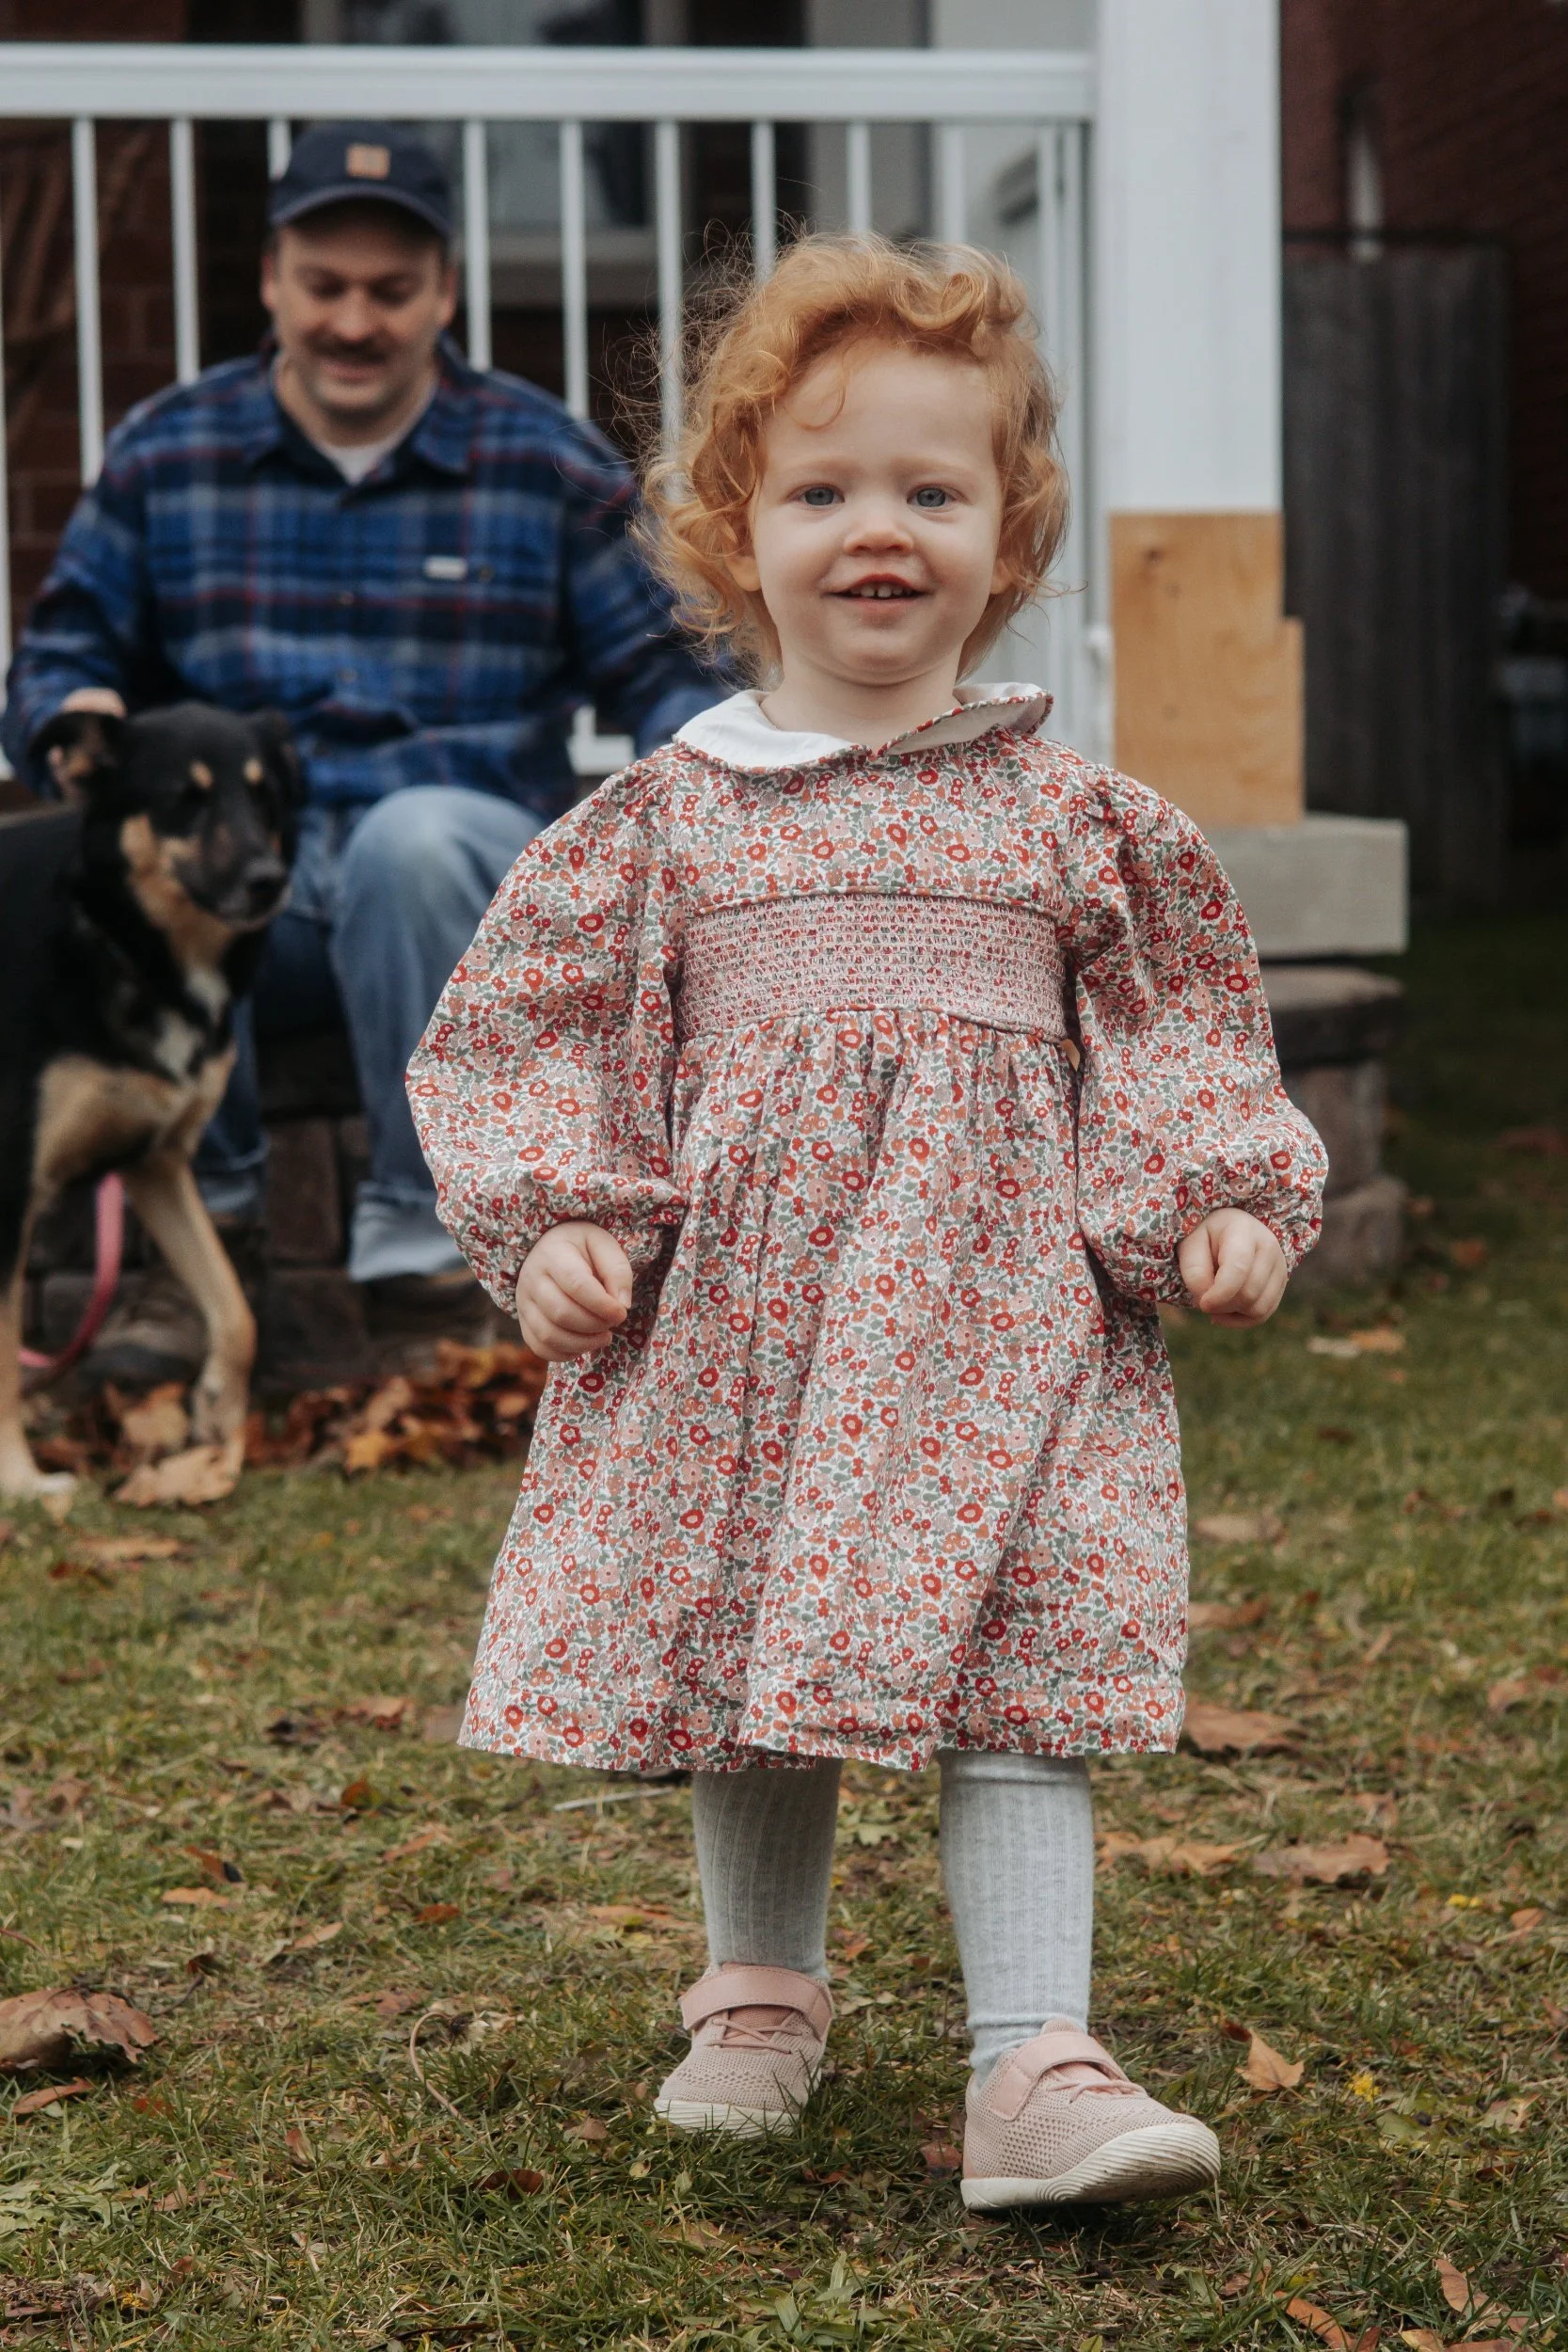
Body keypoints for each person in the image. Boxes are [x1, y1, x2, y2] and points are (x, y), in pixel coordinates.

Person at [407, 235, 1327, 2209]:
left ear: (1010, 534)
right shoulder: (667, 817)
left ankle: (1032, 2061)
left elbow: (1175, 1030)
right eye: (822, 491)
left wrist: (1214, 1197)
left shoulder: (1070, 818)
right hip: (744, 1320)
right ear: (738, 532)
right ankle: (759, 1985)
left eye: (932, 488)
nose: (876, 531)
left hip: (1005, 1324)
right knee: (753, 1609)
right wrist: (558, 1220)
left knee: (1012, 1651)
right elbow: (530, 1034)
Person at [1, 119, 714, 1365]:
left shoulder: (537, 460)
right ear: (271, 279)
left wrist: (709, 791)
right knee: (146, 869)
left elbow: (666, 671)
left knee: (409, 838)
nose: (352, 322)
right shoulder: (169, 454)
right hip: (241, 886)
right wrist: (74, 720)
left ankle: (428, 1255)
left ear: (443, 290)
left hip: (457, 884)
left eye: (391, 292)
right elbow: (64, 653)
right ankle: (198, 1260)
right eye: (323, 287)